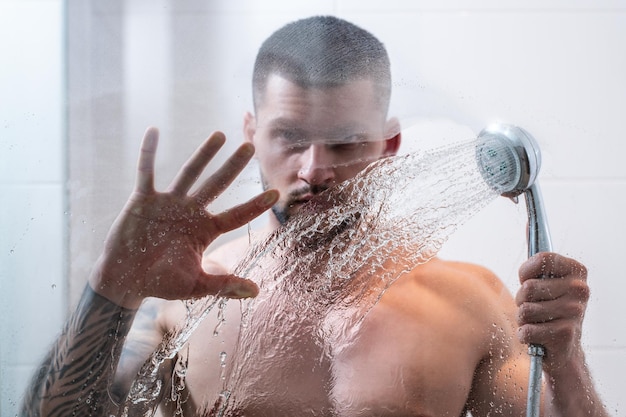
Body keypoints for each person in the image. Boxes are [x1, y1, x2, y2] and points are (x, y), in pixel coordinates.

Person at [23, 16, 609, 417]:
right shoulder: (183, 305)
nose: (313, 169)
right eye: (290, 137)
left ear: (389, 146)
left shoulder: (469, 304)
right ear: (253, 134)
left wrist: (566, 356)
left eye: (345, 144)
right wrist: (110, 291)